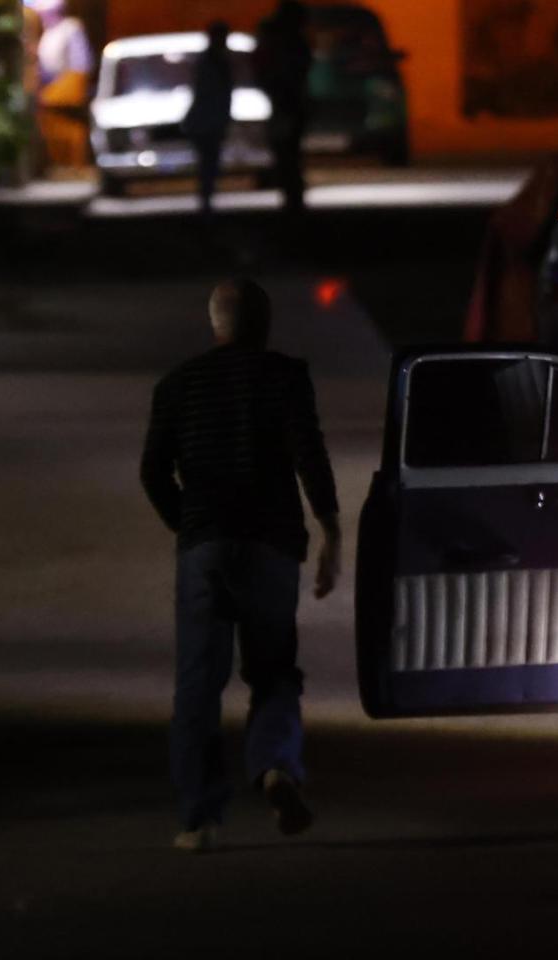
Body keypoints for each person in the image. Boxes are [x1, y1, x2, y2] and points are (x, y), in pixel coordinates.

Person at [140, 279, 342, 853]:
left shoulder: (177, 386)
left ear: (215, 323)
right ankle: (276, 765)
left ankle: (197, 819)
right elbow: (310, 455)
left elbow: (152, 472)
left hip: (205, 548)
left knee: (198, 687)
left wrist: (190, 526)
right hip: (271, 547)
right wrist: (331, 531)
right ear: (264, 324)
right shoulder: (285, 377)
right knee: (274, 672)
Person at [255, 2, 313, 213]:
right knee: (288, 151)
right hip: (286, 101)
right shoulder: (289, 41)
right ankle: (292, 195)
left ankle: (292, 195)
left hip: (285, 101)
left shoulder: (282, 40)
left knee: (287, 150)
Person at [31, 0, 96, 175]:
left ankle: (76, 167)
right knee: (50, 128)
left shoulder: (71, 28)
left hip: (65, 92)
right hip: (49, 89)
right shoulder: (45, 33)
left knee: (71, 127)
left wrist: (58, 92)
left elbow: (81, 65)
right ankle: (58, 166)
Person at [185, 20, 237, 222]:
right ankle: (206, 204)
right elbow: (210, 93)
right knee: (208, 163)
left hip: (209, 119)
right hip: (207, 120)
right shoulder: (211, 62)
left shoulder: (215, 61)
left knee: (209, 163)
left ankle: (206, 203)